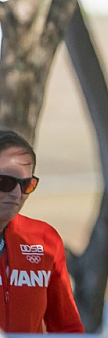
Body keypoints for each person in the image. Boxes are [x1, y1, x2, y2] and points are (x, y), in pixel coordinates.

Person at [0, 130, 84, 333]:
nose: (17, 194)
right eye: (6, 182)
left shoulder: (44, 239)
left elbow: (67, 327)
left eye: (26, 184)